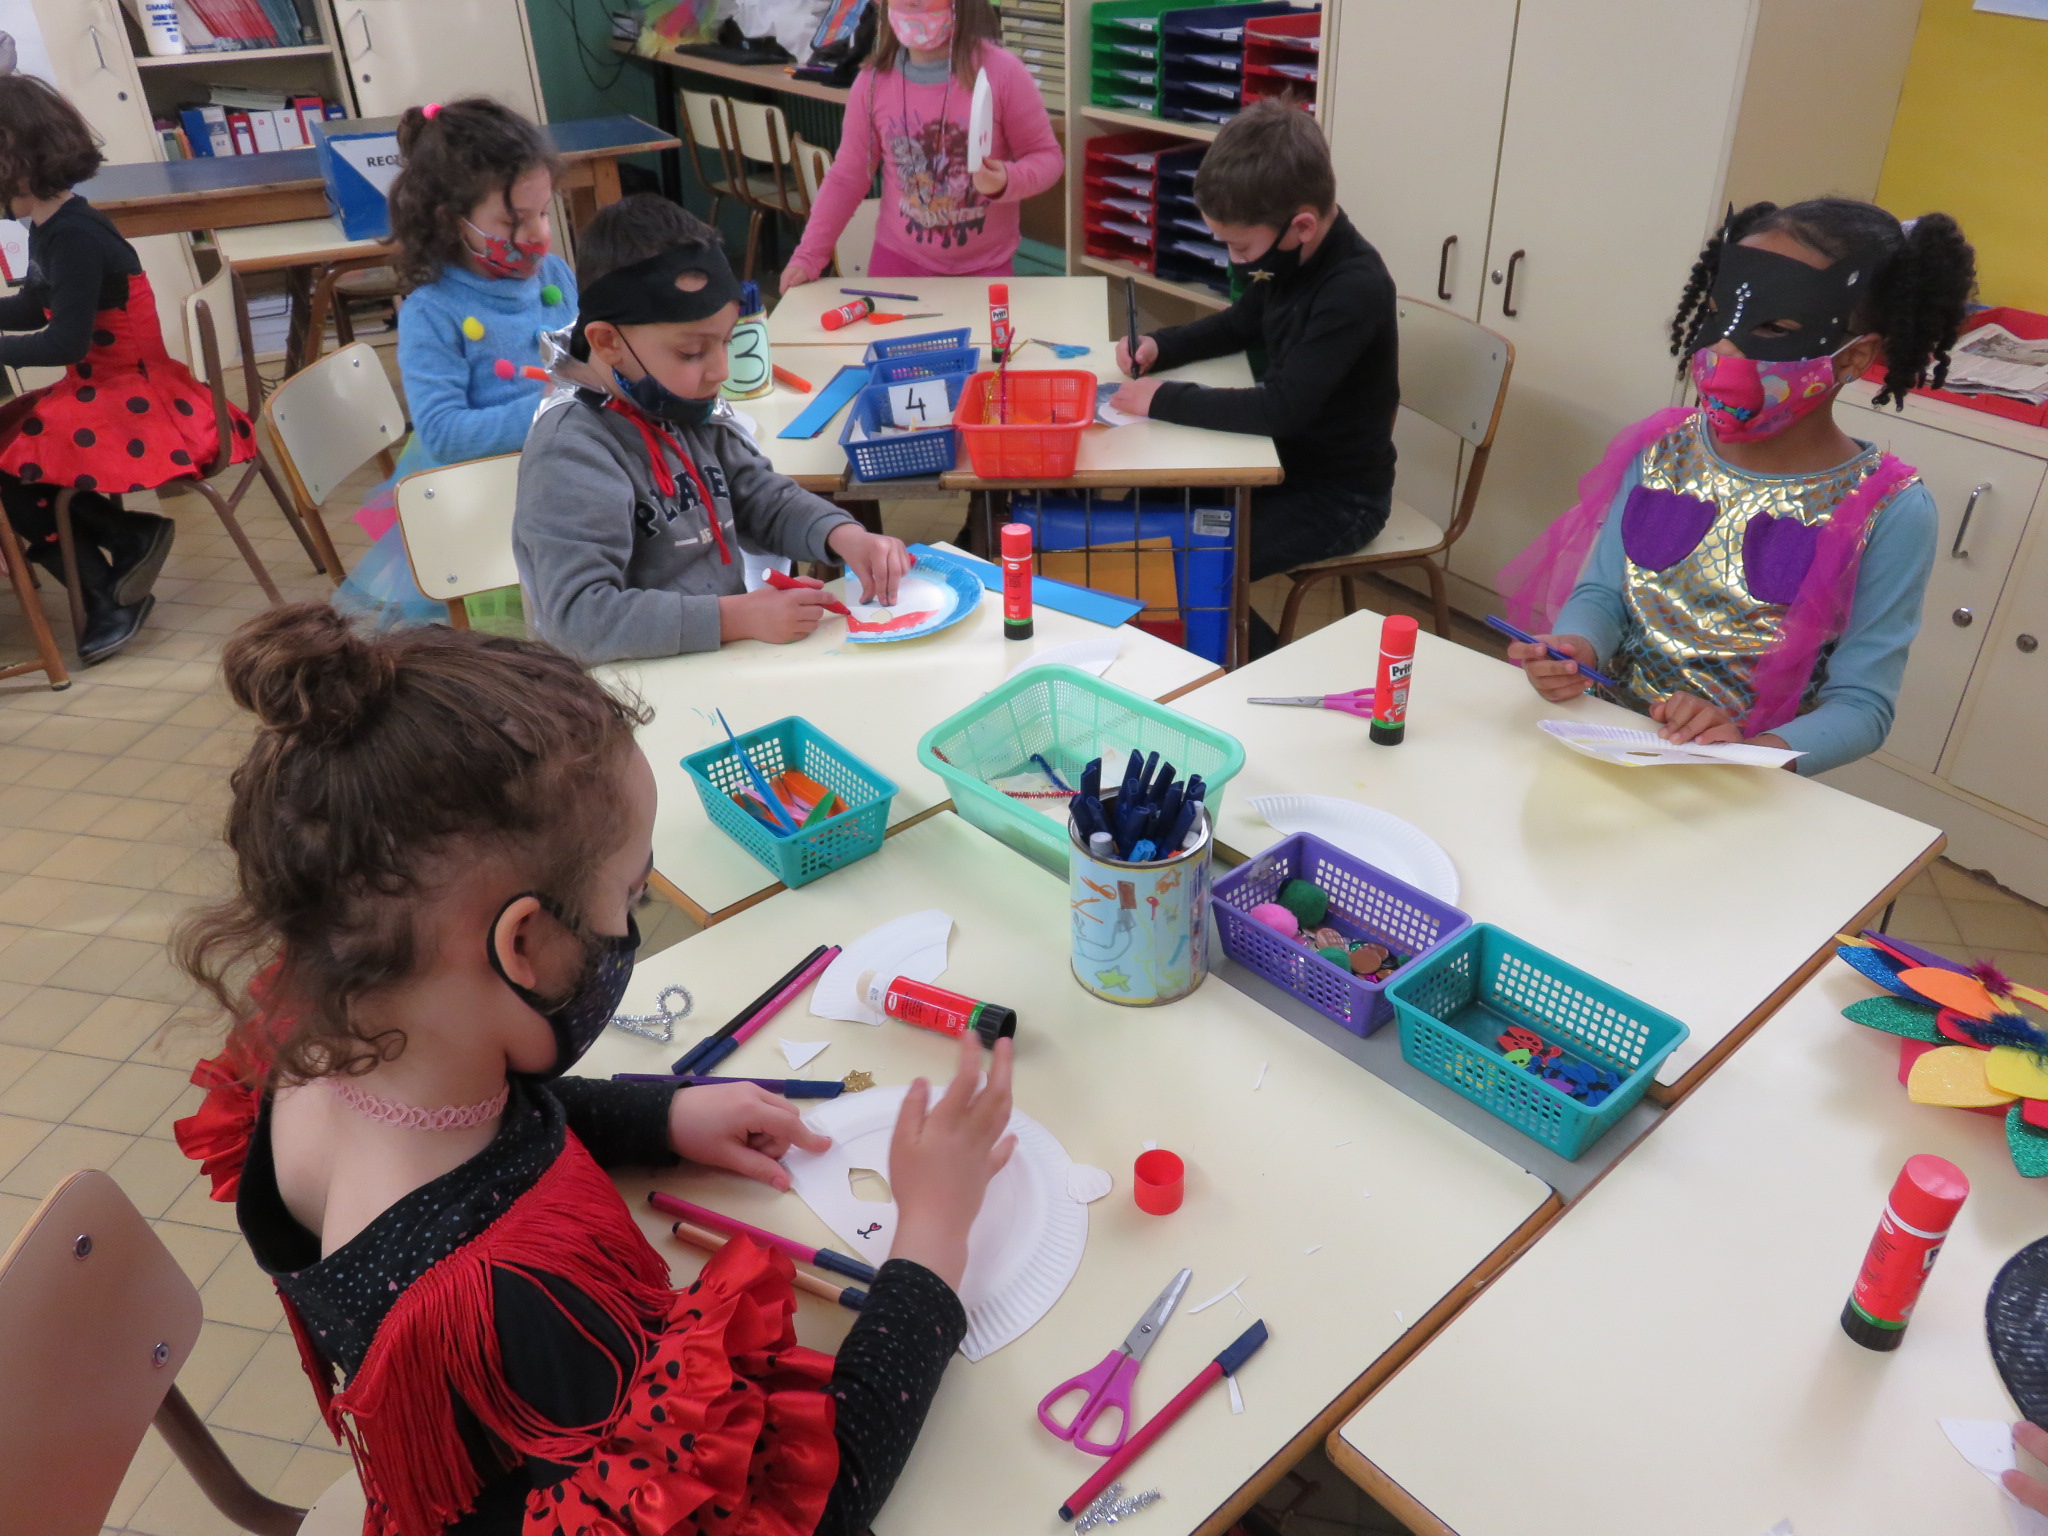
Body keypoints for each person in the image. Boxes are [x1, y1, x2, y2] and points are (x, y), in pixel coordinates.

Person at [171, 603, 1016, 1536]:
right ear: (523, 944)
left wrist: (658, 1119)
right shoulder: (523, 1301)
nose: (630, 925)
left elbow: (485, 1125)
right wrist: (930, 1244)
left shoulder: (319, 1044)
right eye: (631, 898)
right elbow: (810, 1506)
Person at [1501, 198, 1976, 776]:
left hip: (1735, 784)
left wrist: (1747, 753)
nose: (1724, 348)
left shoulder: (1888, 510)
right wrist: (1577, 647)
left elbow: (1862, 706)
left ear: (1854, 358)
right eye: (1718, 314)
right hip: (1601, 741)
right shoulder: (1663, 449)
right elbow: (1604, 594)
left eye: (1774, 327)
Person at [515, 195, 910, 662]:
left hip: (718, 664)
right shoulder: (570, 451)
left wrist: (841, 535)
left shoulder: (683, 402)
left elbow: (762, 497)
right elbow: (578, 619)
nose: (720, 370)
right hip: (626, 690)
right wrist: (735, 618)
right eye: (692, 352)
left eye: (727, 341)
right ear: (607, 342)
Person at [1108, 101, 1399, 658]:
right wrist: (1162, 345)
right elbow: (1241, 323)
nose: (1234, 258)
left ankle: (1255, 675)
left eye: (1240, 247)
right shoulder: (1289, 255)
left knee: (1191, 566)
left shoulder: (1354, 287)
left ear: (1302, 226)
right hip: (1272, 465)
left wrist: (1163, 398)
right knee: (1132, 520)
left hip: (1338, 497)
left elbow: (1282, 407)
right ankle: (1175, 657)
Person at [0, 75, 254, 662]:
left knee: (12, 466)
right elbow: (35, 304)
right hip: (105, 385)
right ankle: (124, 541)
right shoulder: (55, 225)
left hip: (133, 395)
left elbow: (64, 341)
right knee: (11, 453)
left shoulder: (73, 236)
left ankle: (107, 587)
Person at [337, 97, 577, 628]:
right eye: (514, 221)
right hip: (483, 506)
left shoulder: (555, 277)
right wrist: (554, 406)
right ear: (452, 222)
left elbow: (581, 365)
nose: (539, 234)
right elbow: (444, 433)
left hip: (562, 483)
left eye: (544, 212)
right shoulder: (432, 312)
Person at [780, 0, 1061, 287]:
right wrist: (809, 256)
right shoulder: (872, 83)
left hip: (985, 271)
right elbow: (847, 177)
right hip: (897, 267)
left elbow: (1047, 157)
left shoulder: (1003, 73)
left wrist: (1007, 180)